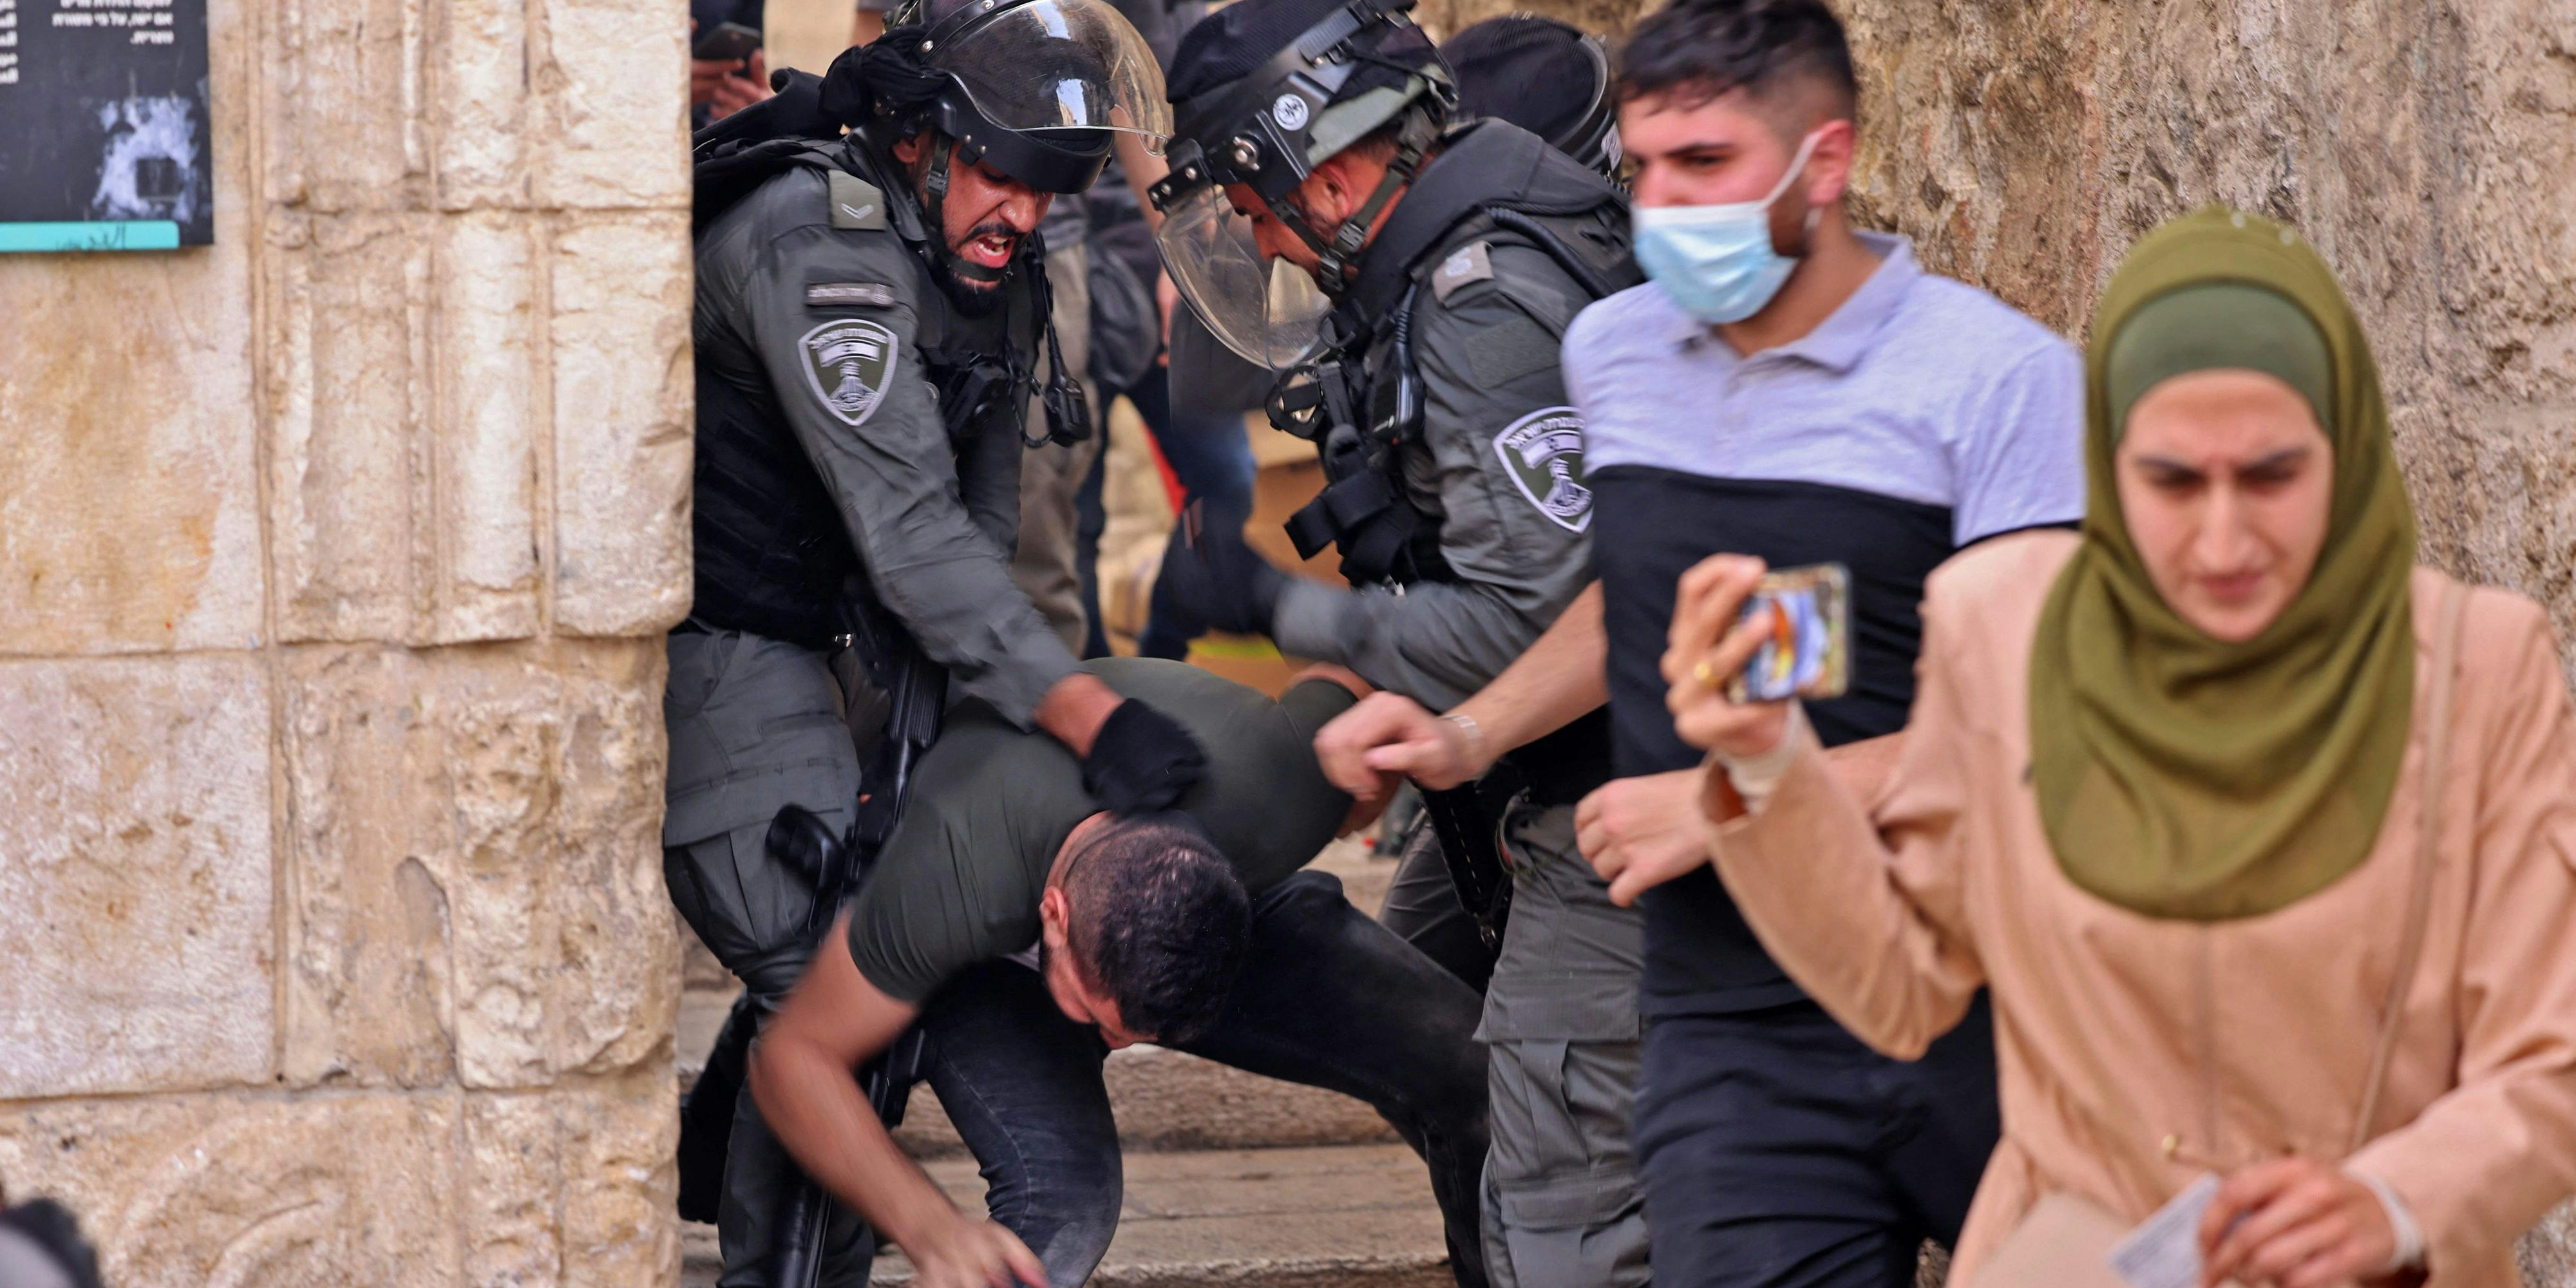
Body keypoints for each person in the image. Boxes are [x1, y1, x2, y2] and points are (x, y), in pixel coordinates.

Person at [1660, 206, 2576, 1288]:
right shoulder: (1998, 630)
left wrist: (2394, 1200)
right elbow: (1904, 984)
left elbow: (2550, 1056)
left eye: (2273, 476)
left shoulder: (2478, 667)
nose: (2224, 541)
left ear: (2353, 452)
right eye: (2173, 482)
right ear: (2107, 460)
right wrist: (1769, 761)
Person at [1312, 1, 2085, 1283]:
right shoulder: (1616, 354)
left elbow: (2030, 725)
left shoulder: (1996, 380)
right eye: (1646, 164)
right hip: (1724, 1029)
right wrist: (1466, 733)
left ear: (1821, 165)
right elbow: (1641, 598)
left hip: (1978, 994)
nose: (1663, 204)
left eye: (1706, 165)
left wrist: (1731, 804)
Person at [672, 5, 1206, 1282]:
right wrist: (1089, 715)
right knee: (829, 973)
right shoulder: (825, 250)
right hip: (720, 638)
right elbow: (913, 541)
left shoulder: (988, 265)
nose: (1025, 215)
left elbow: (978, 534)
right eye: (1005, 177)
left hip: (846, 645)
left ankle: (739, 1152)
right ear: (924, 143)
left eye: (1053, 191)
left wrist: (974, 737)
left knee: (890, 917)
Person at [1149, 0, 1648, 1280]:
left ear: (1321, 168)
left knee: (1561, 1205)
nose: (1256, 239)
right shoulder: (1422, 266)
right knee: (1422, 1015)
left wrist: (1279, 613)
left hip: (1604, 785)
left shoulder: (1479, 300)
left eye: (1250, 205)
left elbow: (1529, 614)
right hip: (1509, 769)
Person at [750, 658, 1491, 1288]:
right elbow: (793, 1059)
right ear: (1054, 916)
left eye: (1139, 1035)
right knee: (1063, 1212)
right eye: (1102, 1022)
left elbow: (1348, 684)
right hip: (991, 961)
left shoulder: (1277, 780)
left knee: (1472, 1066)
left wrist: (1371, 790)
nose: (1121, 1048)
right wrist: (930, 1227)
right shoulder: (948, 878)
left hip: (1188, 885)